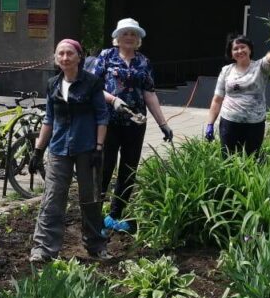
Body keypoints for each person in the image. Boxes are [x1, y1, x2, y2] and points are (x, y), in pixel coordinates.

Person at [29, 39, 110, 263]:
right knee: (52, 197)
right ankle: (44, 249)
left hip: (87, 148)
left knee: (90, 198)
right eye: (60, 54)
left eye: (69, 54)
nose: (65, 57)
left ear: (79, 57)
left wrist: (99, 147)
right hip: (58, 148)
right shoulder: (53, 83)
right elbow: (49, 119)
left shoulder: (92, 83)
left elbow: (102, 116)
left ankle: (96, 245)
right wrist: (38, 151)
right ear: (56, 58)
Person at [92, 18, 173, 234]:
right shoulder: (106, 56)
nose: (129, 37)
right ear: (117, 37)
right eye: (125, 33)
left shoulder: (143, 62)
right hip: (108, 122)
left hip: (135, 123)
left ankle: (115, 216)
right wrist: (112, 100)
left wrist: (163, 124)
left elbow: (149, 93)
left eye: (133, 34)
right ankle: (95, 217)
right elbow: (92, 87)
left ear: (138, 39)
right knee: (105, 168)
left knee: (128, 170)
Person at [205, 31, 270, 155]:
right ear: (231, 54)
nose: (240, 51)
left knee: (252, 158)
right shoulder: (226, 71)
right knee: (228, 158)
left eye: (243, 47)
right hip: (229, 122)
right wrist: (210, 124)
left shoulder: (260, 67)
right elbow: (217, 99)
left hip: (255, 124)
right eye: (235, 49)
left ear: (249, 49)